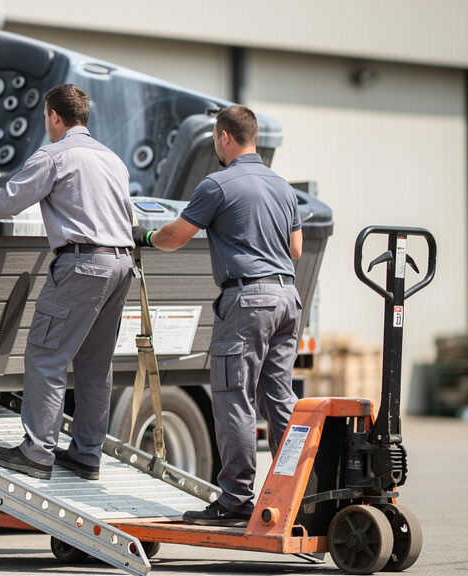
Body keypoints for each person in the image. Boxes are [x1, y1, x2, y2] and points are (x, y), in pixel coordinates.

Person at [0, 84, 135, 481]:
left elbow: (3, 204)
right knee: (95, 365)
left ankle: (36, 452)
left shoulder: (55, 156)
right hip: (121, 264)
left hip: (82, 265)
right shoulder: (113, 160)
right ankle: (86, 455)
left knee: (46, 356)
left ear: (54, 115)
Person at [132, 104, 302, 525]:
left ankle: (236, 501)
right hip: (287, 298)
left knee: (234, 400)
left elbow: (174, 237)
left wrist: (146, 236)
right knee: (279, 398)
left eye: (215, 138)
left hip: (247, 302)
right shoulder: (282, 186)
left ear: (225, 137)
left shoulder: (218, 184)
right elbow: (296, 249)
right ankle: (300, 491)